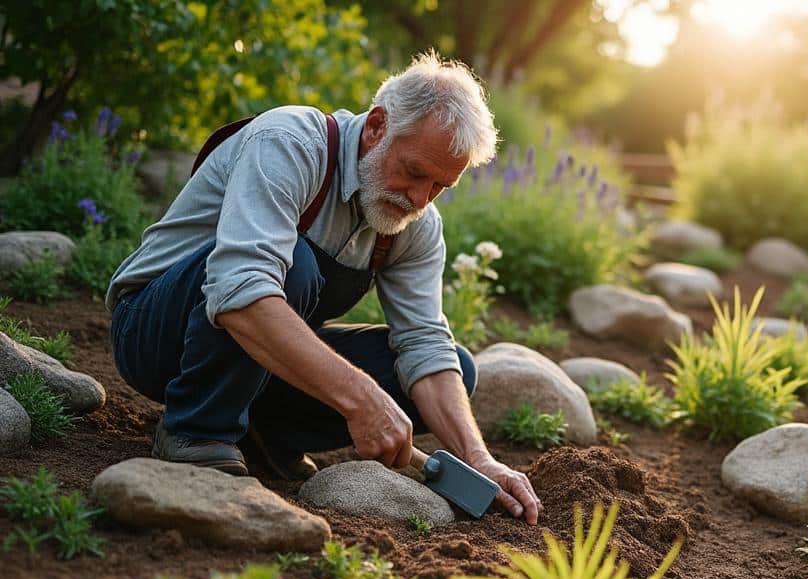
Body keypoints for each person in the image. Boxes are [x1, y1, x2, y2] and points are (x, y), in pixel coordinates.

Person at [104, 52, 542, 525]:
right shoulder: (289, 144)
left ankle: (265, 436)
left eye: (440, 186)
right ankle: (195, 431)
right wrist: (361, 397)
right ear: (377, 127)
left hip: (257, 364)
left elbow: (423, 344)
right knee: (293, 265)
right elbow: (240, 290)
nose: (420, 199)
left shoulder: (416, 223)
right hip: (154, 333)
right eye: (415, 172)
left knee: (452, 366)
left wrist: (479, 460)